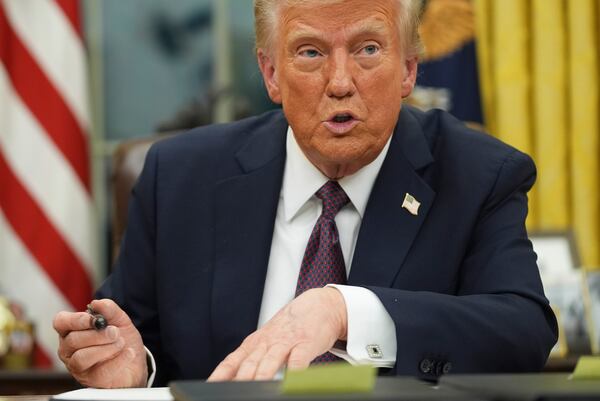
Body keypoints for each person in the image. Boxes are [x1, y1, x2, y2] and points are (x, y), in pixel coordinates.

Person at [53, 0, 557, 388]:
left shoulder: (477, 175)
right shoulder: (181, 177)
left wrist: (345, 311)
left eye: (368, 49)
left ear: (408, 68)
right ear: (271, 74)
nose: (340, 82)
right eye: (310, 52)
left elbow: (522, 333)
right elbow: (135, 340)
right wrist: (133, 368)